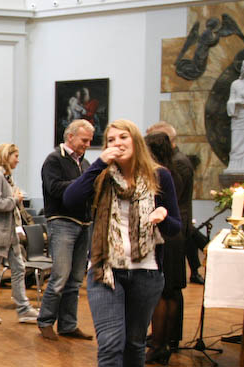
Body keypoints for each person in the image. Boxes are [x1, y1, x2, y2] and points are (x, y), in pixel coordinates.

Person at [63, 119, 181, 367]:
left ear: (135, 141)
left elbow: (175, 228)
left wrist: (163, 216)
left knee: (134, 343)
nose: (117, 143)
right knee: (110, 343)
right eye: (111, 140)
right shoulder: (101, 175)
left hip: (146, 272)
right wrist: (100, 162)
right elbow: (70, 199)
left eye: (123, 137)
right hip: (106, 270)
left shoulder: (159, 176)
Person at [37, 119, 95, 341]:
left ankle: (68, 325)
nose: (88, 144)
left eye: (90, 140)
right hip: (62, 222)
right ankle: (45, 321)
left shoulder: (85, 162)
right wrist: (82, 183)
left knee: (75, 279)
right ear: (70, 137)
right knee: (60, 276)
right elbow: (54, 188)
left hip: (84, 223)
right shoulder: (54, 160)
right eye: (84, 139)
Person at [0, 143, 39, 324]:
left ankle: (23, 308)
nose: (18, 160)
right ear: (6, 156)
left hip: (9, 234)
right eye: (15, 156)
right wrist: (15, 199)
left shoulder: (6, 178)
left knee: (19, 268)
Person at [144, 132, 187, 364]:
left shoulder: (161, 174)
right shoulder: (176, 170)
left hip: (166, 234)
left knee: (162, 293)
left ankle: (158, 345)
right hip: (176, 236)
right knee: (171, 293)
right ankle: (165, 341)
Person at [146, 121, 201, 284]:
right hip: (170, 224)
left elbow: (171, 199)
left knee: (170, 284)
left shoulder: (177, 163)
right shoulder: (173, 162)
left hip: (172, 228)